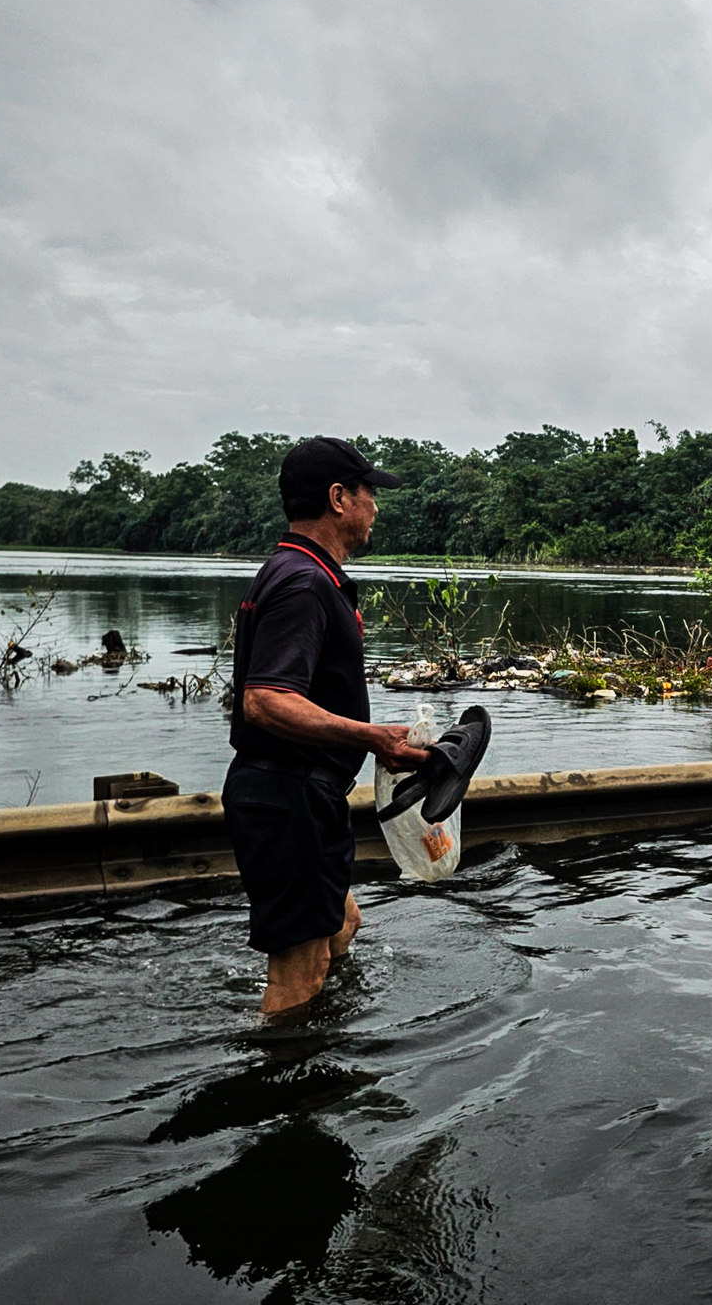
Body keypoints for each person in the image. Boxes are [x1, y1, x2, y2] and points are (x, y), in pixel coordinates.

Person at [224, 436, 431, 1017]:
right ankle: (288, 1086)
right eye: (370, 493)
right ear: (339, 498)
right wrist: (371, 737)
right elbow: (264, 701)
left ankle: (324, 1036)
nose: (376, 507)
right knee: (300, 970)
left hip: (298, 792)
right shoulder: (304, 582)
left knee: (343, 926)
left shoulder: (296, 570)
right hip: (285, 793)